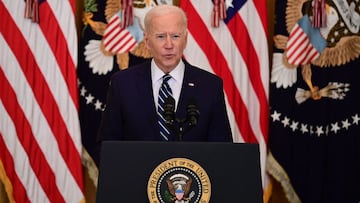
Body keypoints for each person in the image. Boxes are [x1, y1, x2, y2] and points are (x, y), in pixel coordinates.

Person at [97, 4, 232, 142]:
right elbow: (108, 147)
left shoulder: (209, 86)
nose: (169, 45)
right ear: (147, 41)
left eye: (175, 36)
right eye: (161, 36)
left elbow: (222, 151)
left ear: (185, 40)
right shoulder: (123, 84)